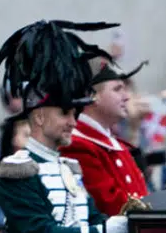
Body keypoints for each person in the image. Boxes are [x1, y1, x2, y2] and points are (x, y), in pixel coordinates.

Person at [0, 20, 129, 233]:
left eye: (74, 114)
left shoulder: (69, 168)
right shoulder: (17, 169)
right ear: (40, 115)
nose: (72, 122)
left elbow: (91, 219)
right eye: (65, 113)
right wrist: (107, 232)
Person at [59, 59, 148, 217]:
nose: (126, 96)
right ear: (91, 96)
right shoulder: (77, 145)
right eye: (117, 89)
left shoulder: (111, 143)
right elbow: (111, 206)